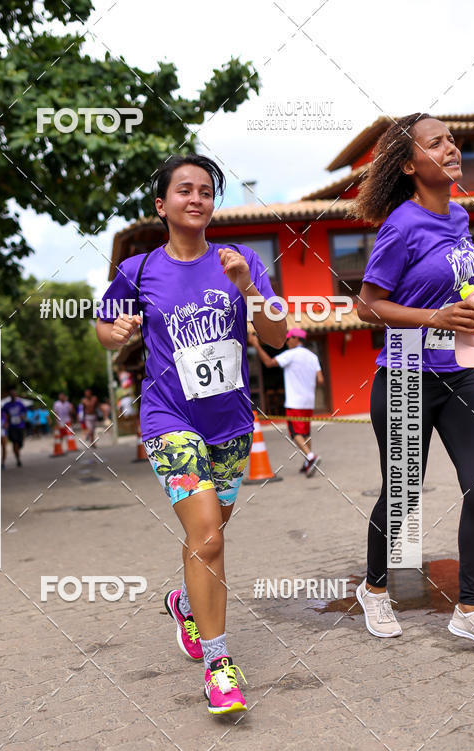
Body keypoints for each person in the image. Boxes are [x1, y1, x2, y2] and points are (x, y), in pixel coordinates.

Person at [96, 153, 286, 715]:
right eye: (184, 190)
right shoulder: (137, 271)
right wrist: (119, 327)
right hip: (168, 419)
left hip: (229, 423)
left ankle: (183, 601)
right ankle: (219, 664)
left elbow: (274, 333)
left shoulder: (241, 259)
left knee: (210, 533)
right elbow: (106, 331)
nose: (197, 198)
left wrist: (251, 287)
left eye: (206, 190)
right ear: (162, 205)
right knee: (209, 536)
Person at [354, 113, 474, 653]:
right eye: (437, 143)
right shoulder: (403, 224)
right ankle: (375, 587)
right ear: (411, 164)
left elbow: (457, 285)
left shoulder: (460, 218)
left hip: (458, 372)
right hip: (406, 373)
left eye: (452, 139)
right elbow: (367, 305)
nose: (452, 147)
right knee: (404, 498)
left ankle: (470, 606)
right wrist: (435, 317)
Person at [250, 327, 324, 476]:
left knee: (295, 432)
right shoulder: (312, 356)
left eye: (289, 338)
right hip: (308, 401)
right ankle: (307, 461)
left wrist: (256, 345)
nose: (287, 341)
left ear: (296, 339)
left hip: (294, 401)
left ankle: (310, 457)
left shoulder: (291, 354)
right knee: (305, 432)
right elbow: (320, 380)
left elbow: (269, 363)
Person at [2, 388, 26, 467]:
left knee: (20, 444)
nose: (13, 396)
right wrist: (6, 422)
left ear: (16, 395)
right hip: (12, 427)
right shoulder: (6, 406)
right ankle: (18, 459)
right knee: (15, 442)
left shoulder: (20, 404)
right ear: (10, 396)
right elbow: (4, 415)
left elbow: (25, 411)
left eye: (14, 395)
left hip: (20, 426)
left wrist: (23, 416)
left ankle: (16, 451)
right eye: (11, 395)